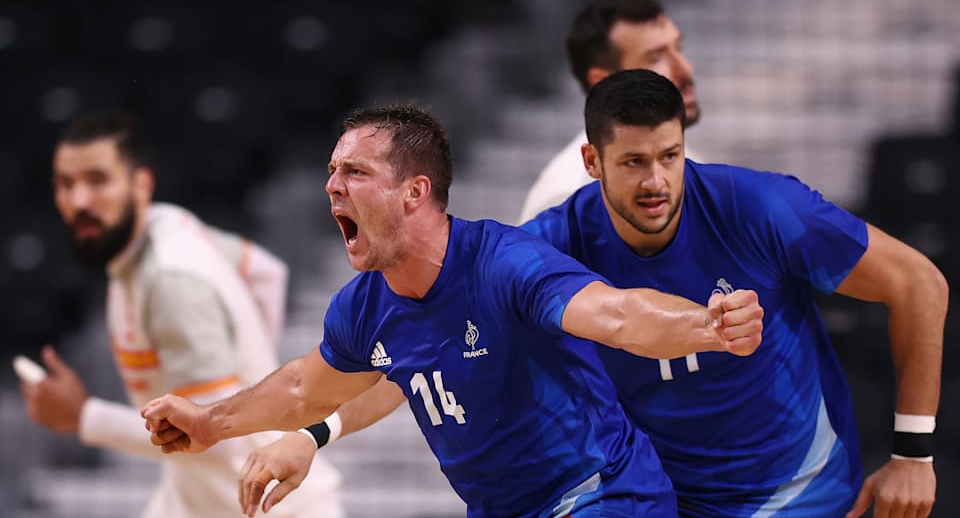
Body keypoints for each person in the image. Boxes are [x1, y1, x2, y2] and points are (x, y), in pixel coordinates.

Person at [247, 71, 945, 518]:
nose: (658, 181)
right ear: (592, 164)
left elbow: (919, 280)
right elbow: (426, 354)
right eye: (635, 161)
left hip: (796, 491)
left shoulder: (757, 207)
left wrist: (914, 452)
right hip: (671, 498)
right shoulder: (541, 247)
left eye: (671, 156)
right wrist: (317, 431)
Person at [141, 104, 766, 518]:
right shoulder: (363, 308)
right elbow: (307, 386)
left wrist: (705, 327)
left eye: (354, 171)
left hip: (604, 497)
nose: (332, 185)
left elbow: (620, 316)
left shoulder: (504, 265)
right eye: (331, 171)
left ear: (415, 192)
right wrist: (210, 423)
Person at [19, 111, 343, 518]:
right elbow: (266, 272)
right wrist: (255, 365)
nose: (79, 200)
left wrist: (83, 417)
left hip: (268, 508)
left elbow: (210, 431)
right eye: (66, 185)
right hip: (203, 500)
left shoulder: (171, 282)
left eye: (97, 181)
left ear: (140, 184)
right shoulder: (170, 223)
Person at [519, 0, 703, 223]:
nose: (685, 69)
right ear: (603, 81)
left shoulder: (692, 163)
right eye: (656, 58)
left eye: (678, 48)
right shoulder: (566, 198)